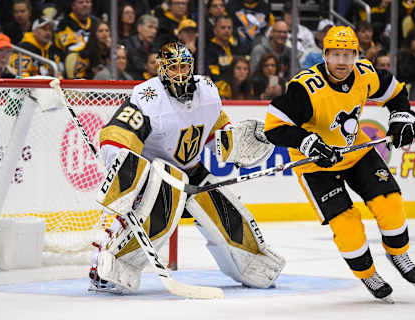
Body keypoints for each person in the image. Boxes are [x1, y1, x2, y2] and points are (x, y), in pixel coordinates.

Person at [89, 41, 285, 293]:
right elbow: (118, 132)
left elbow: (217, 126)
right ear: (162, 70)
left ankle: (248, 261)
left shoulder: (207, 90)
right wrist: (123, 165)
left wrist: (233, 141)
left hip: (193, 171)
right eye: (174, 68)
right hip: (158, 176)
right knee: (156, 222)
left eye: (184, 66)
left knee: (226, 210)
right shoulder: (148, 97)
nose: (180, 73)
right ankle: (112, 265)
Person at [263, 26, 415, 302]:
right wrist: (307, 142)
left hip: (355, 152)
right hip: (315, 166)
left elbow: (394, 91)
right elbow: (274, 127)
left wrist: (401, 115)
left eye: (348, 55)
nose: (341, 62)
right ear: (324, 55)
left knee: (391, 202)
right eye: (335, 54)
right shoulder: (306, 88)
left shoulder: (365, 74)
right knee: (347, 226)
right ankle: (368, 273)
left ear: (356, 55)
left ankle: (398, 253)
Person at [121, 14, 159, 79]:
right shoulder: (127, 44)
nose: (154, 31)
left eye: (155, 28)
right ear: (139, 28)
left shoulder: (156, 46)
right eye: (150, 27)